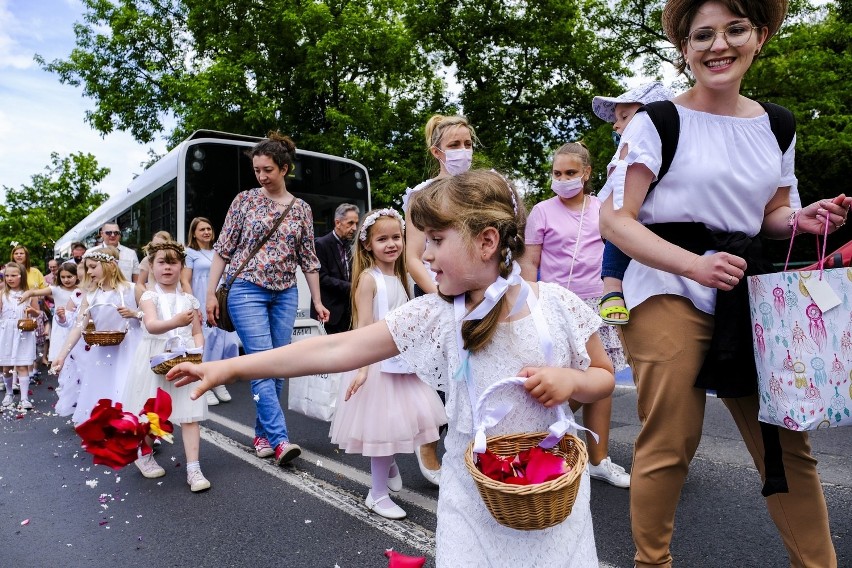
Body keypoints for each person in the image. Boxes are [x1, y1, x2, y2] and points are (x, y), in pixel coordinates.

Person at [169, 170, 615, 567]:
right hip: (472, 498)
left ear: (487, 242)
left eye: (436, 241)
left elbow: (603, 377)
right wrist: (230, 368)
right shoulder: (436, 314)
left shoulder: (556, 305)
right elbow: (338, 349)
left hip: (551, 490)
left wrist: (572, 380)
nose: (424, 256)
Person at [598, 0, 844, 565]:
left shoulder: (776, 124)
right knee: (673, 437)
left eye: (734, 29)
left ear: (759, 35)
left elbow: (772, 214)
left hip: (745, 293)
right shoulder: (656, 122)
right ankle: (651, 562)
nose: (719, 45)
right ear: (684, 48)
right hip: (666, 287)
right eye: (702, 34)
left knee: (787, 441)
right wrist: (694, 265)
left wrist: (801, 221)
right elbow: (616, 219)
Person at [204, 132, 330, 467]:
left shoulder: (301, 209)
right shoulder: (244, 200)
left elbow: (309, 259)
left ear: (285, 168)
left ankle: (261, 434)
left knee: (278, 369)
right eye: (257, 169)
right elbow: (223, 250)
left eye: (268, 169)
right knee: (261, 363)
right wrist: (209, 295)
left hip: (285, 293)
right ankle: (280, 439)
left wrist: (316, 301)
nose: (261, 175)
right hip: (246, 289)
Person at [520, 142, 630, 488]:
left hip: (596, 304)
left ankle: (599, 458)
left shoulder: (603, 209)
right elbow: (530, 263)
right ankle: (540, 440)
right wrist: (528, 303)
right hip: (555, 305)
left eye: (570, 173)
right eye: (557, 173)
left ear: (586, 173)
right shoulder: (541, 212)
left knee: (601, 378)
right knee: (560, 379)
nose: (563, 179)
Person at [329, 208, 446, 519]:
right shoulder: (369, 280)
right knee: (383, 430)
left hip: (403, 365)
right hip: (378, 366)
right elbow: (364, 329)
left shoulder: (403, 276)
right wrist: (362, 369)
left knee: (400, 425)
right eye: (382, 239)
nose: (391, 244)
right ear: (368, 244)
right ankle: (377, 494)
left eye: (396, 237)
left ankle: (389, 464)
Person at [402, 113, 478, 486]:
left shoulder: (482, 189)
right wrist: (441, 296)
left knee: (474, 372)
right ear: (437, 151)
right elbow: (414, 256)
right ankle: (428, 444)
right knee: (439, 375)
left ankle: (470, 445)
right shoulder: (423, 194)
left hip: (478, 292)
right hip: (440, 293)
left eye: (467, 144)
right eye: (454, 145)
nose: (463, 152)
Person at [121, 240, 210, 492]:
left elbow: (196, 331)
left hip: (184, 359)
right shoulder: (149, 296)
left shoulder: (190, 300)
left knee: (190, 413)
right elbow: (151, 325)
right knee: (155, 412)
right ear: (151, 265)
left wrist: (198, 351)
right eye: (161, 262)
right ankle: (144, 452)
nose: (167, 268)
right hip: (156, 357)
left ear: (181, 266)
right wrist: (175, 321)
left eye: (173, 263)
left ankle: (194, 468)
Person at [591, 82, 674, 325]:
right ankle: (611, 287)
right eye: (616, 118)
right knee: (620, 229)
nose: (616, 125)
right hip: (636, 227)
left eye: (625, 116)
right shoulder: (627, 156)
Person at [52, 247, 143, 425]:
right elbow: (79, 326)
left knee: (126, 387)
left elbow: (150, 318)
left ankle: (135, 429)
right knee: (105, 390)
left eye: (93, 266)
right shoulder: (91, 295)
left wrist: (134, 314)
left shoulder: (132, 290)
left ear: (110, 265)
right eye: (87, 268)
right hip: (103, 353)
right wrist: (61, 356)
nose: (89, 272)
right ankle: (110, 430)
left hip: (130, 349)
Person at [180, 217, 235, 406]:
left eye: (209, 228)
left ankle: (218, 381)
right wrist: (194, 304)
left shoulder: (218, 252)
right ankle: (205, 382)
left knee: (223, 339)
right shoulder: (189, 253)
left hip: (218, 297)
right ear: (194, 233)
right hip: (201, 298)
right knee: (206, 341)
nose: (206, 232)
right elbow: (185, 280)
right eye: (202, 229)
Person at [20, 261, 82, 367]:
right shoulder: (55, 289)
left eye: (69, 276)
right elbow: (35, 292)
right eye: (63, 277)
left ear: (76, 276)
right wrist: (28, 293)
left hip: (77, 324)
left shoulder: (81, 290)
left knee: (77, 355)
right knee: (60, 353)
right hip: (60, 326)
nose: (66, 280)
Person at [311, 203, 360, 334]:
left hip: (349, 313)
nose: (355, 228)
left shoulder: (350, 245)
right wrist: (352, 286)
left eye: (356, 223)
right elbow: (321, 278)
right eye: (350, 223)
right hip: (329, 312)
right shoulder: (321, 244)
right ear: (337, 223)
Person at [0, 262, 41, 409]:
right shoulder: (2, 293)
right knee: (6, 367)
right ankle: (9, 393)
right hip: (6, 332)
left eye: (13, 275)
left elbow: (38, 312)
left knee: (23, 365)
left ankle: (24, 398)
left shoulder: (29, 294)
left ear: (21, 276)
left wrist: (32, 312)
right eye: (7, 276)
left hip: (23, 331)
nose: (9, 278)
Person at [11, 245, 48, 378]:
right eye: (16, 253)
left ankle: (32, 369)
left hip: (33, 308)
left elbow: (45, 289)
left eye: (22, 253)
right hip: (13, 310)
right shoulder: (7, 270)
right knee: (15, 342)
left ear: (26, 256)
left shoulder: (35, 272)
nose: (19, 255)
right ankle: (14, 374)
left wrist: (37, 299)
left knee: (35, 341)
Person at [135, 230, 172, 302]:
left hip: (173, 296)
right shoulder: (147, 260)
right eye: (154, 245)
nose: (156, 248)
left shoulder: (175, 261)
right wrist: (148, 294)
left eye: (160, 245)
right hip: (154, 298)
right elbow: (139, 283)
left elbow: (183, 281)